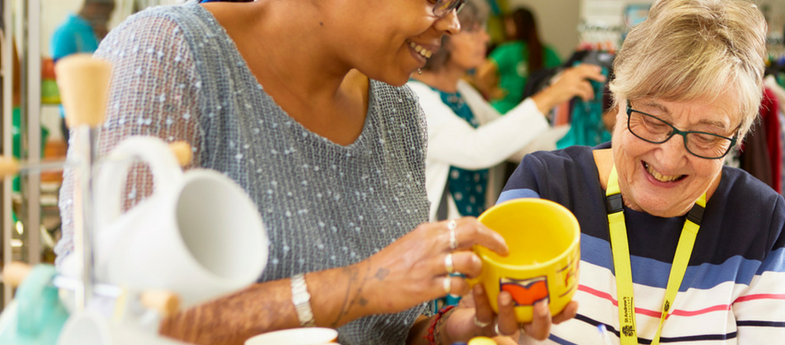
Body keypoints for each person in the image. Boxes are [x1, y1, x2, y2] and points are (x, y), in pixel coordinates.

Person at [54, 0, 575, 344]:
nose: (452, 23)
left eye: (457, 4)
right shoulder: (168, 57)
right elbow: (107, 307)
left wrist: (450, 330)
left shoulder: (398, 111)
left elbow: (384, 327)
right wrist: (357, 285)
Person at [495, 0, 785, 343]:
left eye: (706, 136)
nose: (670, 160)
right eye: (654, 120)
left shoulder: (760, 222)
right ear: (618, 101)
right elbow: (496, 329)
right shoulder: (545, 189)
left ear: (737, 136)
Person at [409, 0, 605, 221]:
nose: (486, 38)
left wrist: (598, 132)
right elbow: (476, 149)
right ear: (442, 35)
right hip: (437, 243)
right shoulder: (415, 97)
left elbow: (515, 142)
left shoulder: (463, 93)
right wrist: (550, 96)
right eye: (472, 30)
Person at [51, 0, 115, 137]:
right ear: (94, 5)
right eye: (109, 12)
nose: (110, 18)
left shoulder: (98, 32)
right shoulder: (65, 32)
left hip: (101, 114)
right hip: (75, 116)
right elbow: (62, 74)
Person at [478, 7, 560, 114]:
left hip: (504, 110)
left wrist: (492, 92)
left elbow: (482, 73)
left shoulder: (508, 50)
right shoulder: (548, 52)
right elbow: (563, 74)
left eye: (509, 24)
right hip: (536, 112)